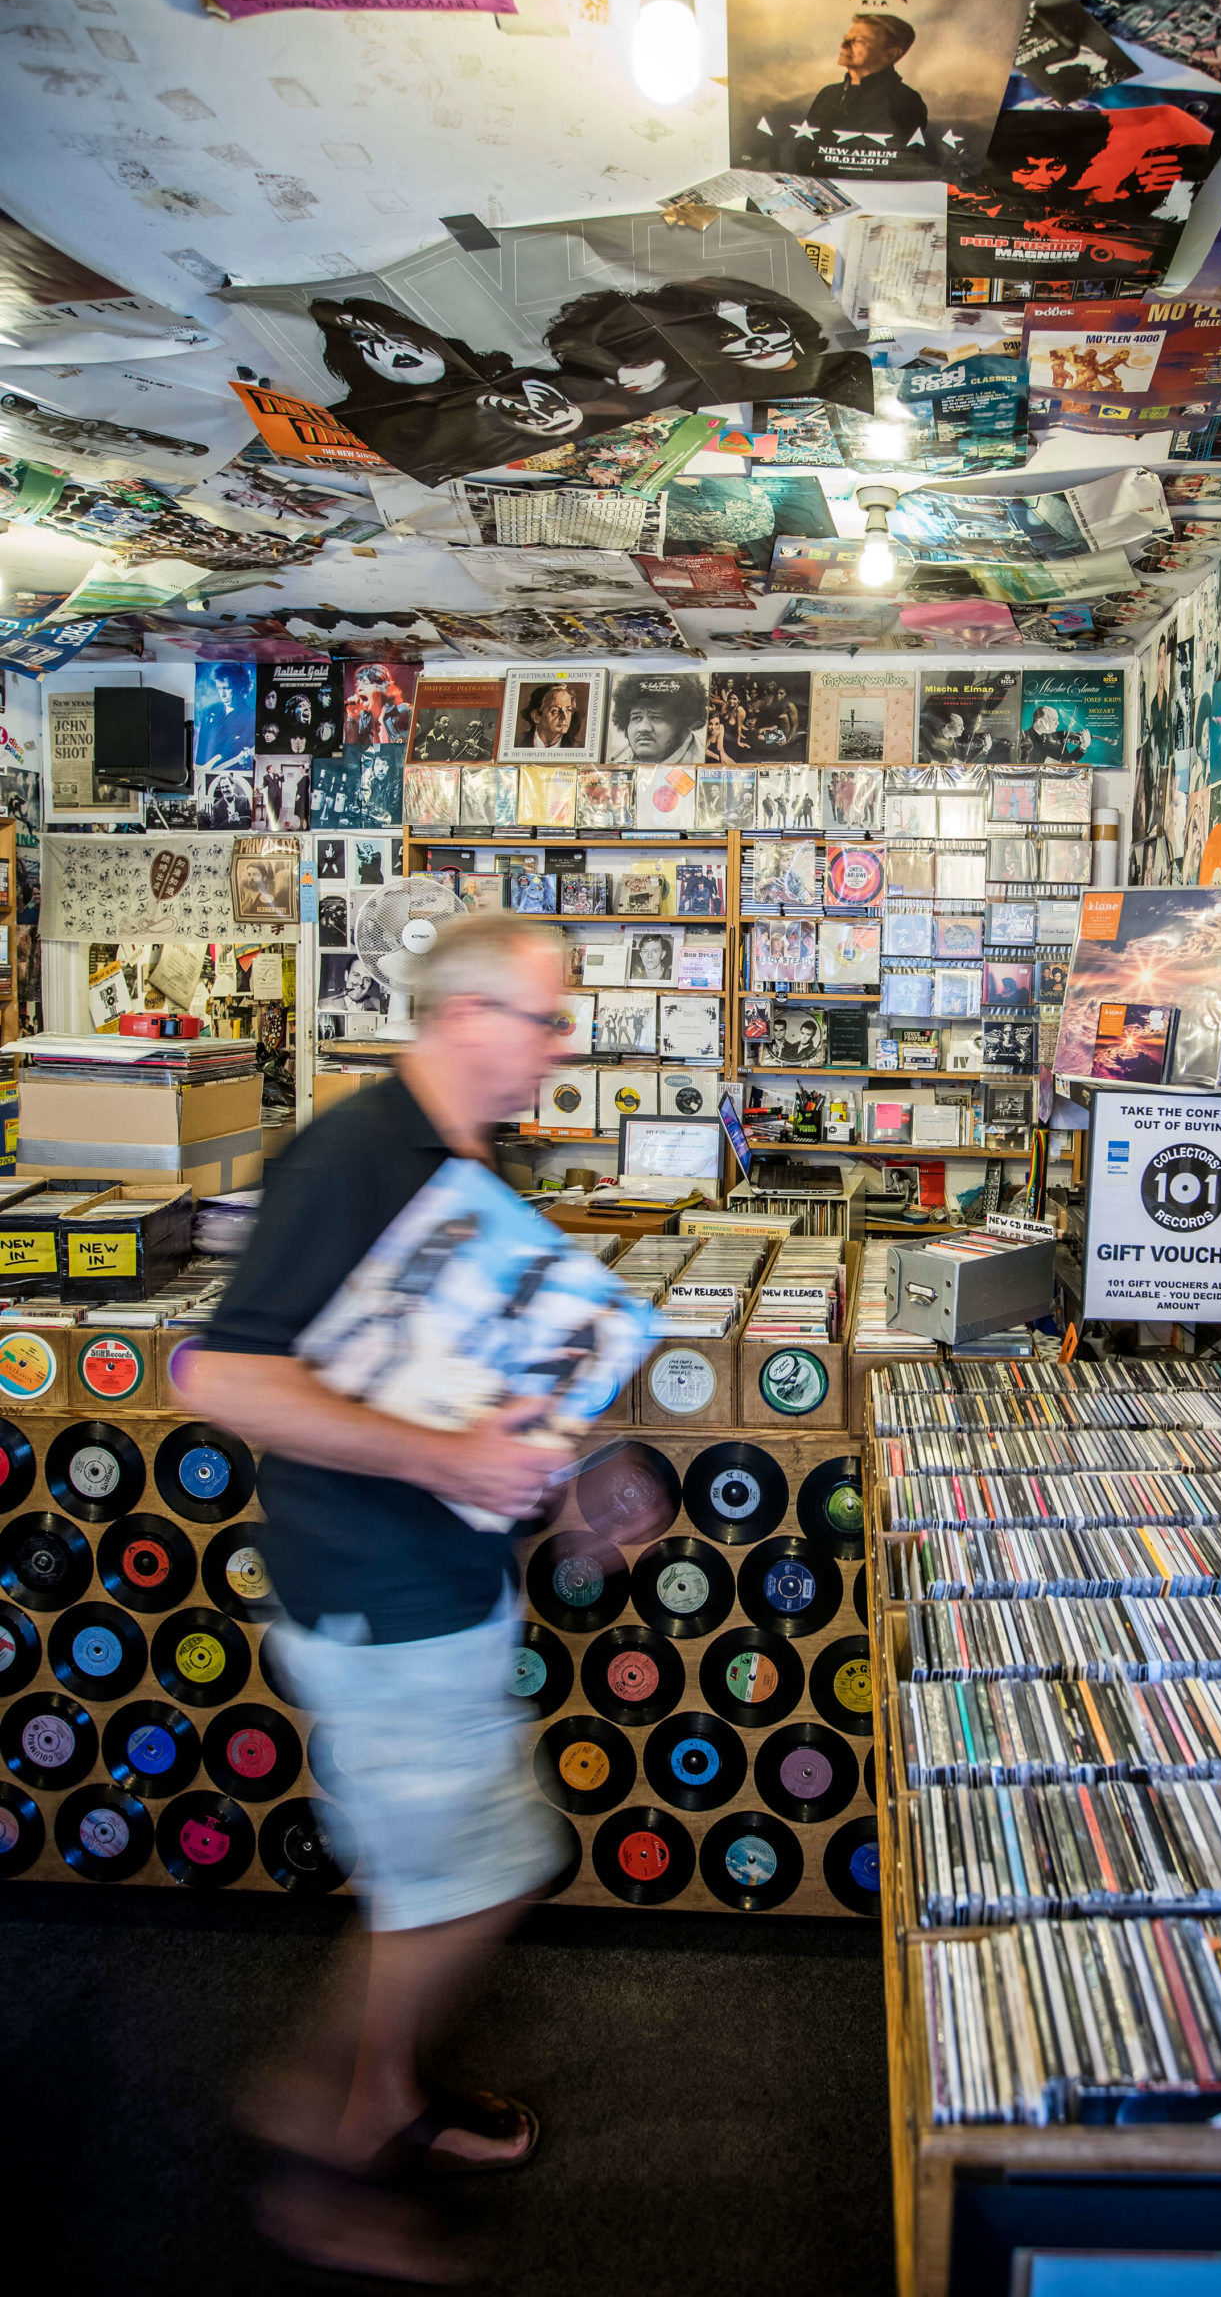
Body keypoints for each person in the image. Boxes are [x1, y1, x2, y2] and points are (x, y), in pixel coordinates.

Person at [184, 917, 644, 2279]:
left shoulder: (453, 1159)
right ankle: (327, 2151)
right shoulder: (352, 1154)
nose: (564, 1047)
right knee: (478, 1870)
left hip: (429, 1583)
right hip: (379, 1603)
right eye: (545, 1021)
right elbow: (221, 1378)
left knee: (429, 1876)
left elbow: (436, 1371)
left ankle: (367, 2099)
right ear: (462, 1016)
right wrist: (454, 1461)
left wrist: (569, 1489)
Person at [791, 12, 932, 167]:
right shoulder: (828, 95)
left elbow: (901, 164)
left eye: (858, 41)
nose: (844, 45)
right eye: (846, 39)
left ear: (891, 54)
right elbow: (804, 152)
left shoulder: (906, 101)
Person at [606, 674, 706, 765]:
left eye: (656, 717)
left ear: (683, 723)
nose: (643, 728)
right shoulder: (617, 758)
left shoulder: (703, 761)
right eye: (636, 717)